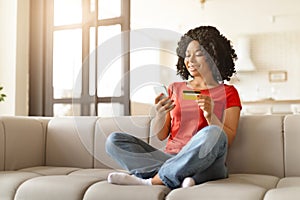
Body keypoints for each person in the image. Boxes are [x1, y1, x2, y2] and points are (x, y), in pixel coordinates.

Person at [105, 25, 242, 189]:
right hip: (170, 156)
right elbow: (162, 135)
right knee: (114, 141)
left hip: (208, 160)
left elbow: (228, 140)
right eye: (187, 55)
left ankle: (153, 180)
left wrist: (210, 116)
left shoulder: (228, 92)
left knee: (213, 132)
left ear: (214, 56)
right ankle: (185, 175)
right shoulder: (175, 89)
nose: (190, 61)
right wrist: (160, 115)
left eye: (198, 54)